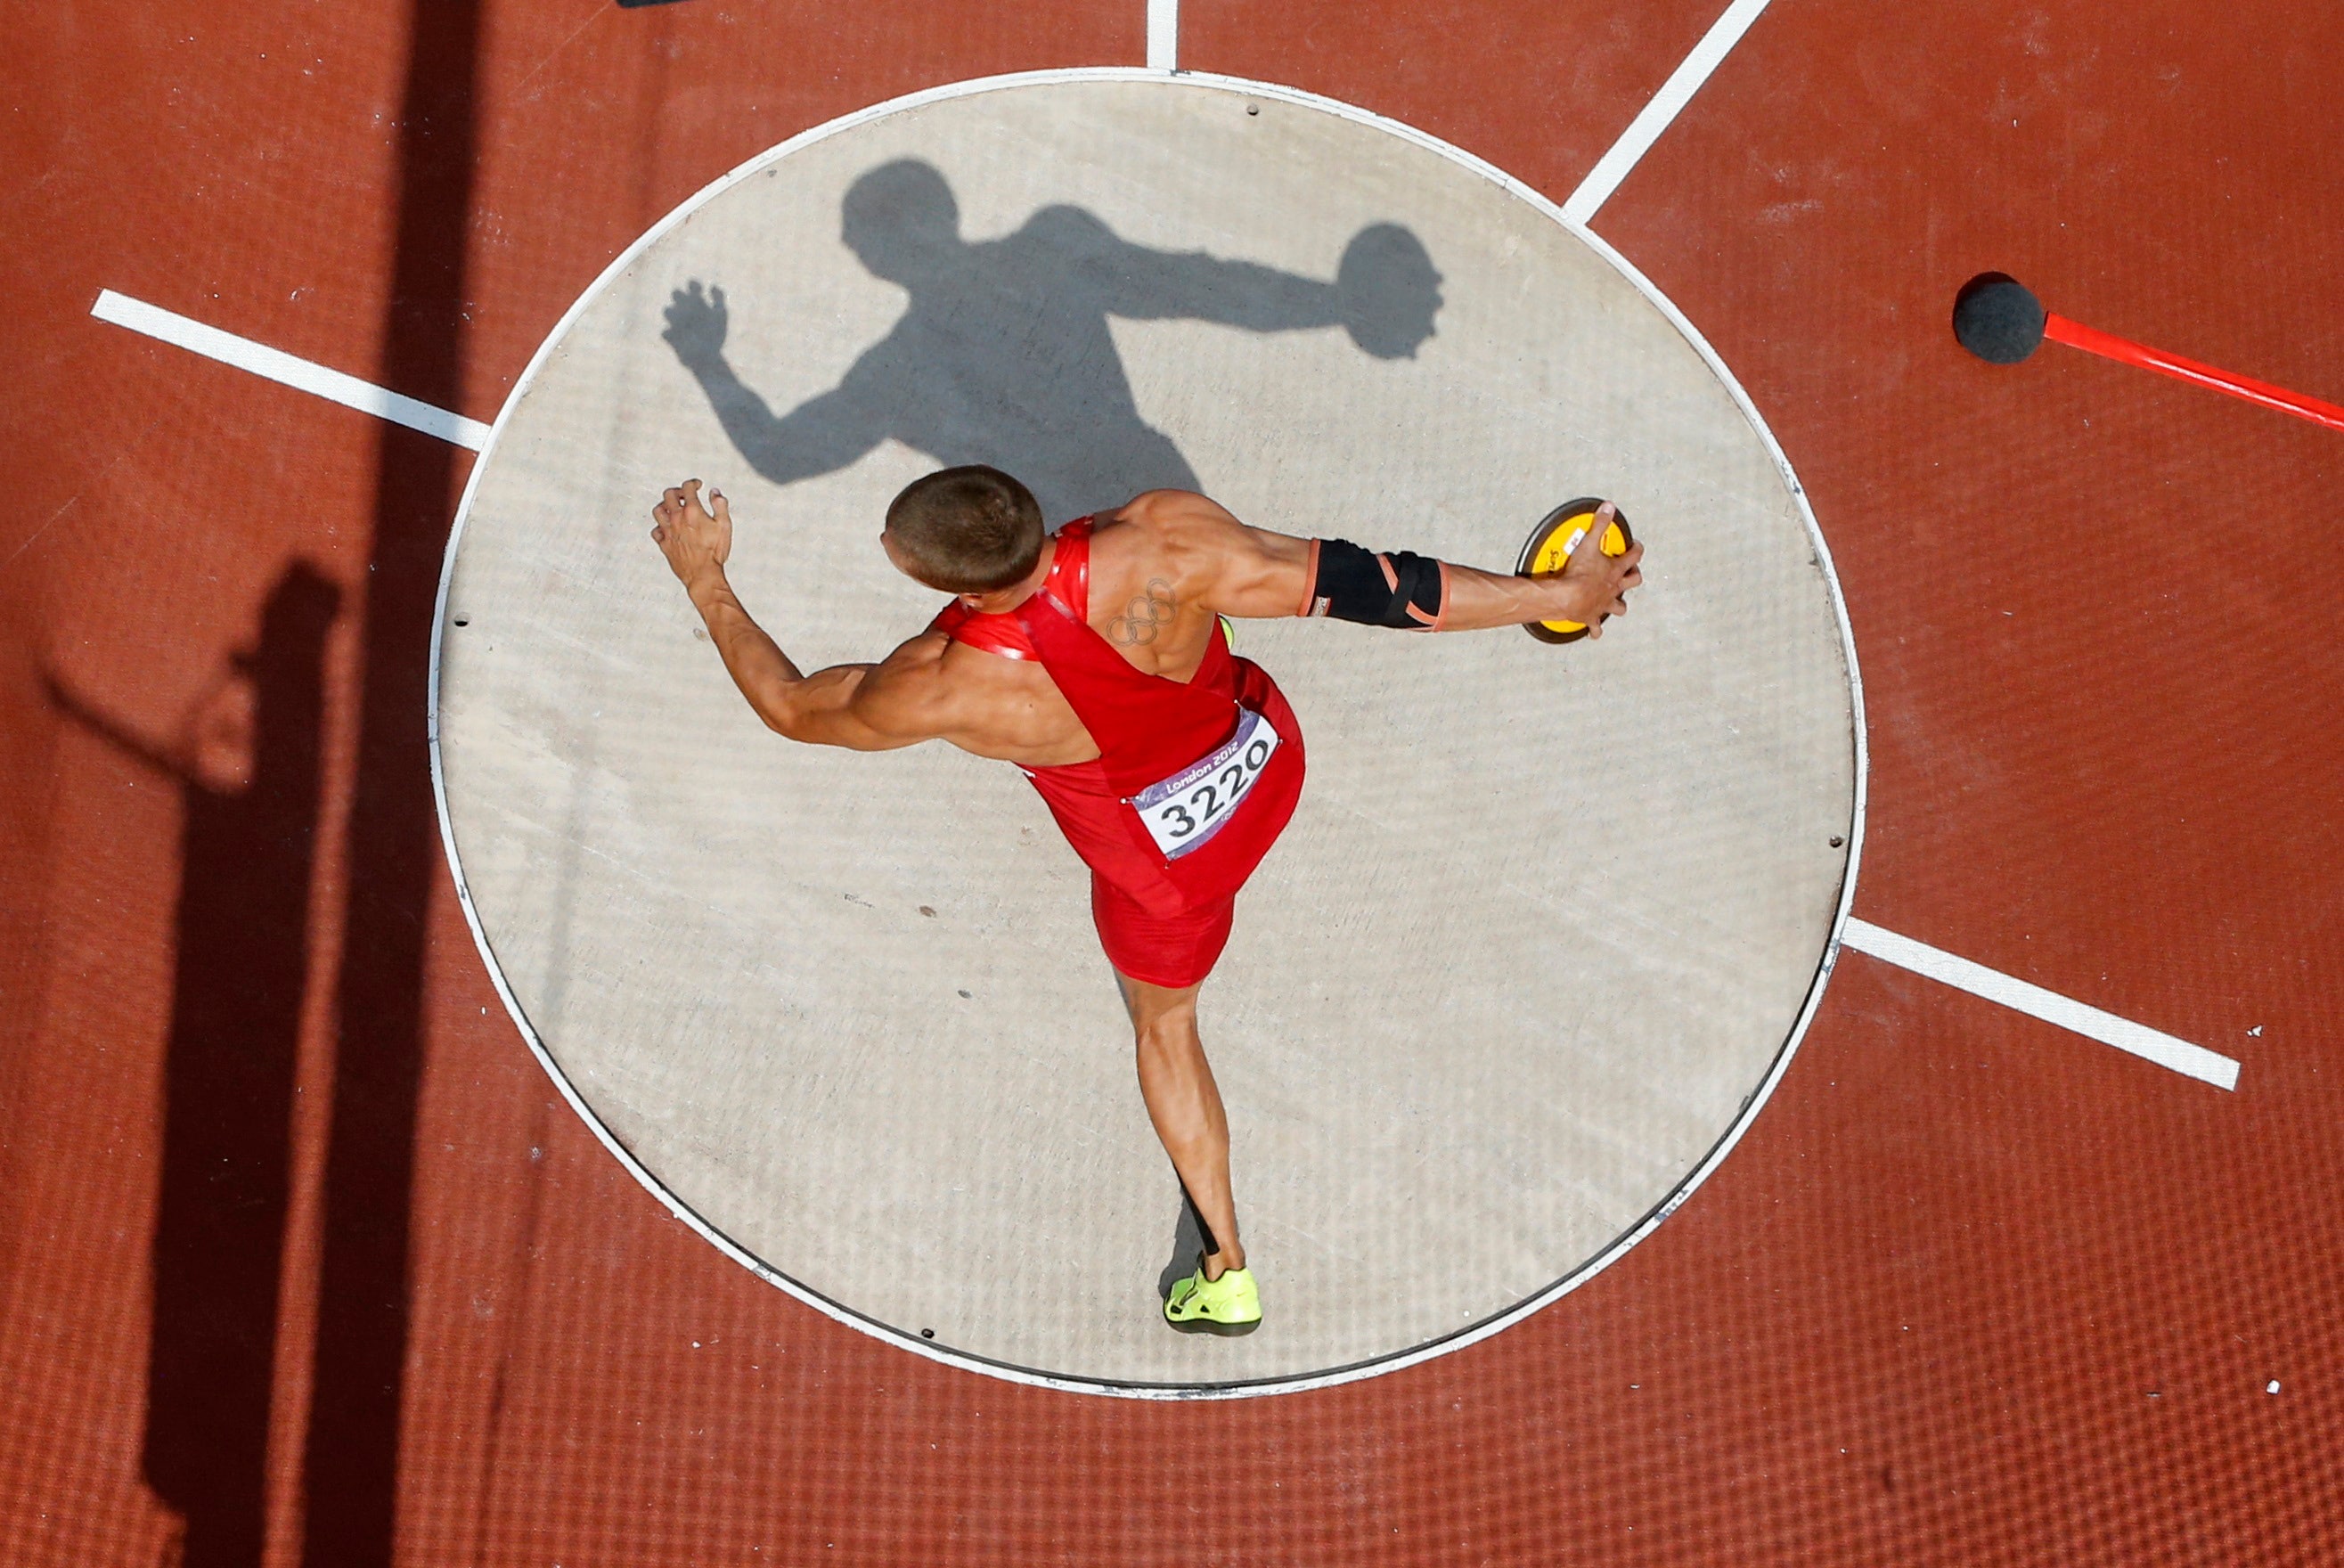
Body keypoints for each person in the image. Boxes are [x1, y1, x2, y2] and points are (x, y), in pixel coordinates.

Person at [649, 469, 1642, 1335]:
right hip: (1266, 764)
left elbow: (790, 706)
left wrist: (707, 577)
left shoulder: (941, 685)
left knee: (1166, 1029)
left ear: (928, 577)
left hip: (1167, 877)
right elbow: (1382, 589)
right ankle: (1218, 1258)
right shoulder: (1172, 536)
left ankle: (1226, 1273)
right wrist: (1559, 591)